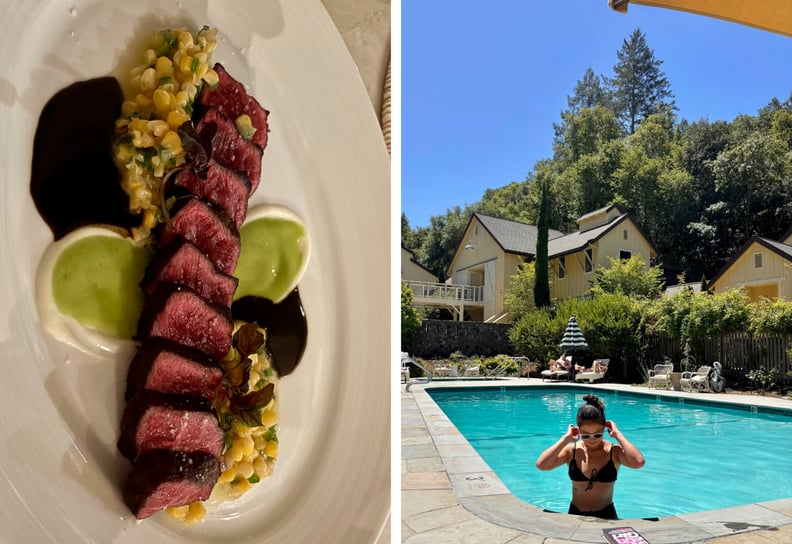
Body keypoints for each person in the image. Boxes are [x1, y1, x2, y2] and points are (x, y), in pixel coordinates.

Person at [535, 394, 645, 519]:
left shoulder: (613, 452)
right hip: (575, 513)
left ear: (605, 428)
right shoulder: (572, 451)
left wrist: (618, 435)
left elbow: (638, 462)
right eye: (586, 435)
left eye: (597, 435)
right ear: (579, 431)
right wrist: (565, 439)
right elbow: (542, 465)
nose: (592, 439)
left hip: (606, 513)